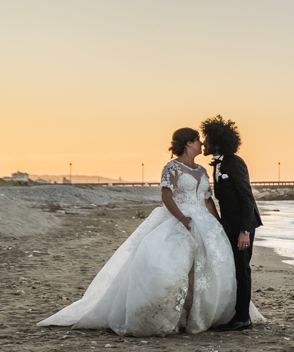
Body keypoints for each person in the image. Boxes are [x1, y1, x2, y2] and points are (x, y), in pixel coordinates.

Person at [38, 128, 237, 335]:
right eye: (197, 140)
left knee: (206, 269)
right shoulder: (172, 167)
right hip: (180, 219)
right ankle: (166, 316)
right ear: (188, 143)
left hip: (205, 224)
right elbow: (166, 196)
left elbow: (207, 200)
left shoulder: (203, 171)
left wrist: (218, 224)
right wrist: (182, 219)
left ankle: (200, 315)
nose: (201, 144)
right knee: (171, 269)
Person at [200, 115, 262, 332]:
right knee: (233, 268)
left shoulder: (235, 162)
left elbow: (247, 197)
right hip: (229, 225)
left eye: (207, 139)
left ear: (218, 141)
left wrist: (245, 231)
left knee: (241, 269)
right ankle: (236, 314)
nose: (203, 142)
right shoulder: (219, 164)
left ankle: (243, 319)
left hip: (242, 227)